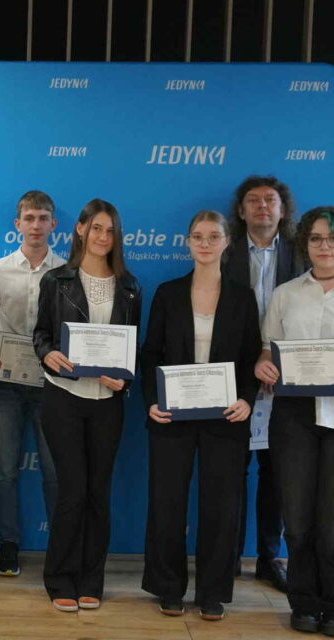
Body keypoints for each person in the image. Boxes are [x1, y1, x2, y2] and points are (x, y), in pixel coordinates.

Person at [141, 210, 261, 621]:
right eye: (197, 236)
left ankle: (213, 592)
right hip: (172, 415)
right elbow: (151, 354)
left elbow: (251, 357)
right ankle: (168, 588)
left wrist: (247, 400)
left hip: (225, 417)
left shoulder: (243, 297)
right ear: (188, 243)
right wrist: (151, 402)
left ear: (226, 242)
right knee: (167, 504)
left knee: (221, 508)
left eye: (213, 236)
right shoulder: (168, 293)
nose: (205, 243)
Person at [33, 199, 141, 612]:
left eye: (110, 230)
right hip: (63, 396)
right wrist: (48, 354)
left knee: (99, 493)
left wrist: (125, 377)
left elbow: (134, 346)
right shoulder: (56, 280)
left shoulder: (130, 286)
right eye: (96, 228)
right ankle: (60, 578)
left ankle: (91, 579)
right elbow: (41, 334)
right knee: (72, 491)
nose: (103, 237)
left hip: (107, 402)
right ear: (80, 229)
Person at [254, 206, 334, 635]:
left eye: (332, 239)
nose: (325, 247)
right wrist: (263, 364)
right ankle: (303, 603)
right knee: (299, 520)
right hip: (293, 415)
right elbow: (269, 349)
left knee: (332, 522)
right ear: (305, 243)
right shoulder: (286, 293)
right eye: (317, 239)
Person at [225, 175, 305, 592]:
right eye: (253, 201)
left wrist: (279, 364)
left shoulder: (302, 254)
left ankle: (269, 557)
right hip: (233, 375)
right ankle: (228, 557)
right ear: (241, 212)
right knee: (231, 469)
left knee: (276, 473)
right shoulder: (224, 251)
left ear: (283, 209)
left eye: (270, 200)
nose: (262, 206)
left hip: (285, 378)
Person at [0, 190, 63, 577]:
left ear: (53, 224)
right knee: (4, 469)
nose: (36, 225)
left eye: (43, 218)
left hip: (53, 385)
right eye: (29, 218)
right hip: (5, 382)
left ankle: (61, 545)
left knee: (54, 471)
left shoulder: (66, 271)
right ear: (17, 224)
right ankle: (8, 543)